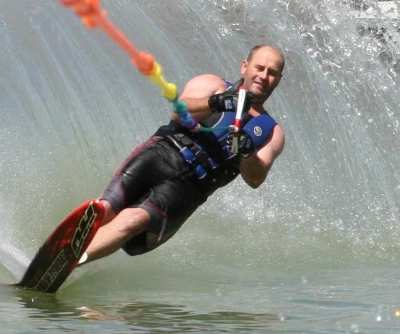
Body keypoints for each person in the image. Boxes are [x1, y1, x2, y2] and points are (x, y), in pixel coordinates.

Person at [80, 44, 286, 263]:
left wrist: (247, 151)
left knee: (134, 220)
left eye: (271, 73)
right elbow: (180, 112)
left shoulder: (271, 132)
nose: (263, 76)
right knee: (106, 209)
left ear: (278, 79)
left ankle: (70, 263)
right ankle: (61, 252)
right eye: (259, 68)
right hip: (162, 154)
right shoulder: (213, 84)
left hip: (191, 187)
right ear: (245, 67)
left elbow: (255, 178)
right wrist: (219, 103)